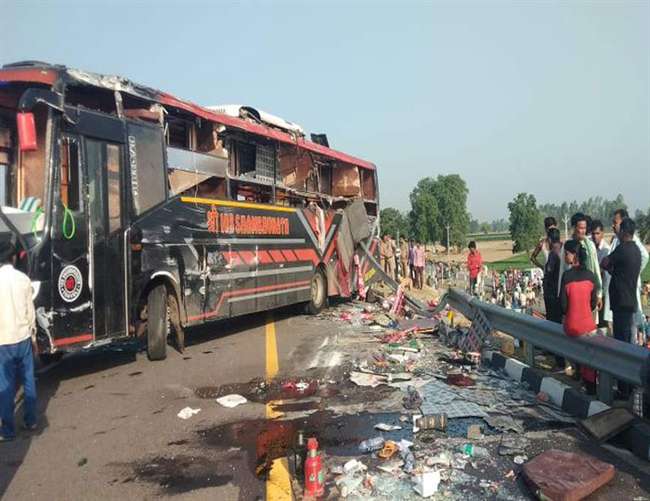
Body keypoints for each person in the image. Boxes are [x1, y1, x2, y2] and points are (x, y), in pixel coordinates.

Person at [0, 240, 38, 441]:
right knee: (28, 380)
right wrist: (34, 337)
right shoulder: (23, 279)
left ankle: (7, 430)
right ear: (13, 258)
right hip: (23, 338)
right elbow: (30, 312)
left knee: (6, 385)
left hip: (3, 340)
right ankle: (31, 421)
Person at [601, 217, 642, 398]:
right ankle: (628, 386)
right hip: (630, 301)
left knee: (621, 346)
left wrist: (609, 268)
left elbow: (605, 262)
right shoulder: (636, 250)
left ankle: (624, 389)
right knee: (628, 344)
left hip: (620, 303)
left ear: (623, 231)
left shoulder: (622, 249)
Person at [560, 240, 598, 394]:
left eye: (566, 253)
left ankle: (578, 373)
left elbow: (563, 306)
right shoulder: (591, 275)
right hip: (589, 326)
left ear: (574, 255)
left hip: (572, 326)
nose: (564, 256)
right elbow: (594, 303)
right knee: (589, 358)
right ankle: (590, 384)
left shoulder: (566, 276)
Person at [603, 209, 649, 337]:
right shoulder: (616, 241)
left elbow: (645, 256)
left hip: (625, 294)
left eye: (615, 222)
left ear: (623, 224)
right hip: (619, 293)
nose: (613, 225)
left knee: (626, 332)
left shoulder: (631, 242)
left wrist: (632, 272)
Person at [557, 213, 602, 314]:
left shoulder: (590, 245)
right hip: (573, 294)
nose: (583, 231)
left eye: (584, 228)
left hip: (589, 292)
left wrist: (599, 293)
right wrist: (561, 296)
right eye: (581, 228)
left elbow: (596, 270)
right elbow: (562, 272)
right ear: (574, 228)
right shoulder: (567, 246)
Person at [591, 220, 611, 328]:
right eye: (593, 233)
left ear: (602, 233)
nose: (595, 236)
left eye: (597, 233)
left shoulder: (606, 250)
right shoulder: (590, 246)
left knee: (602, 323)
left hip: (602, 291)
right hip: (591, 289)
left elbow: (601, 272)